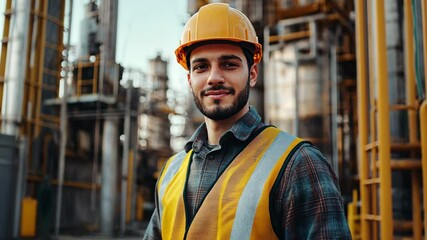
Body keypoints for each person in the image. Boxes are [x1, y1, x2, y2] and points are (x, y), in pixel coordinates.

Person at [143, 3, 351, 240]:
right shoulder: (171, 172)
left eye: (228, 64)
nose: (214, 78)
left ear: (252, 74)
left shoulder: (299, 165)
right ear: (190, 80)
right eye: (201, 67)